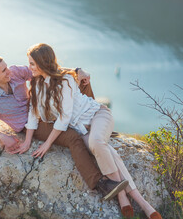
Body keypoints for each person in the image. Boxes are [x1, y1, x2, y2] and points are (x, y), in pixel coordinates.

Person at [22, 43, 162, 219]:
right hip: (82, 130)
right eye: (29, 63)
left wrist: (48, 143)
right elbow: (33, 115)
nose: (30, 68)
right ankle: (141, 203)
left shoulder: (66, 80)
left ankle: (123, 196)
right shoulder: (35, 84)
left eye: (32, 64)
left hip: (98, 115)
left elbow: (64, 118)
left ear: (42, 63)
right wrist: (27, 141)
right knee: (107, 150)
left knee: (97, 143)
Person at [0, 56, 128, 201]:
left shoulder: (15, 72)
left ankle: (94, 124)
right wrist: (1, 136)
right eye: (4, 70)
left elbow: (44, 71)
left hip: (43, 110)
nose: (9, 71)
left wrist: (76, 71)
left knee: (82, 83)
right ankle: (100, 184)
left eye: (6, 67)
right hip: (31, 125)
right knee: (72, 138)